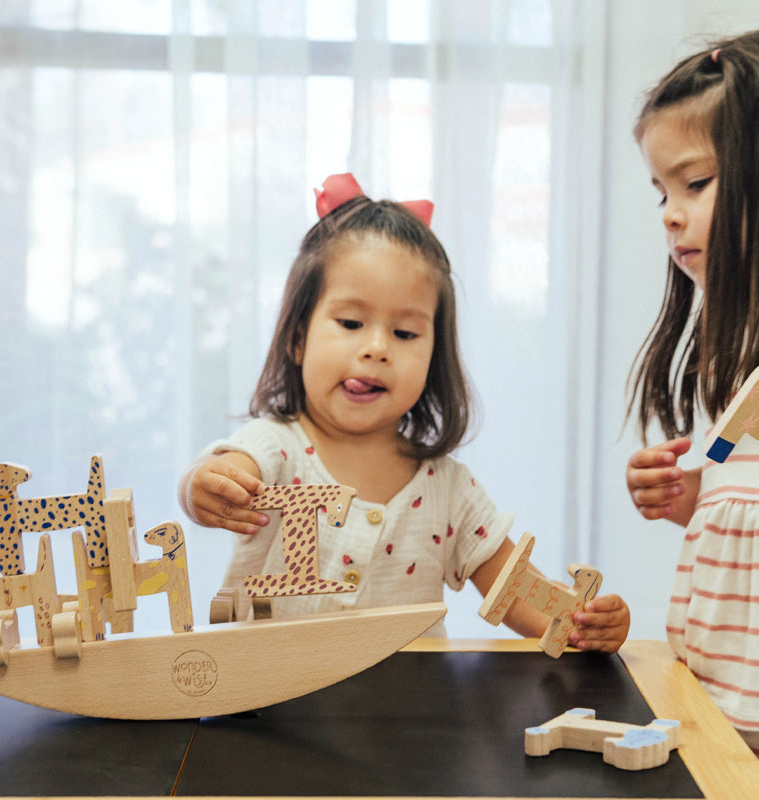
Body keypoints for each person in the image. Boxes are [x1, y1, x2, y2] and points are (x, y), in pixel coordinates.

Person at [180, 172, 630, 650]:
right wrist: (202, 488)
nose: (376, 348)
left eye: (405, 334)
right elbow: (221, 473)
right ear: (297, 338)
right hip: (268, 708)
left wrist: (583, 620)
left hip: (405, 716)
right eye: (351, 322)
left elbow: (518, 594)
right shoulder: (276, 448)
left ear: (434, 358)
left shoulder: (448, 489)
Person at [626, 31, 759, 752]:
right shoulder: (728, 342)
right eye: (662, 193)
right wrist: (695, 497)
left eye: (696, 184)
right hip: (718, 687)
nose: (671, 213)